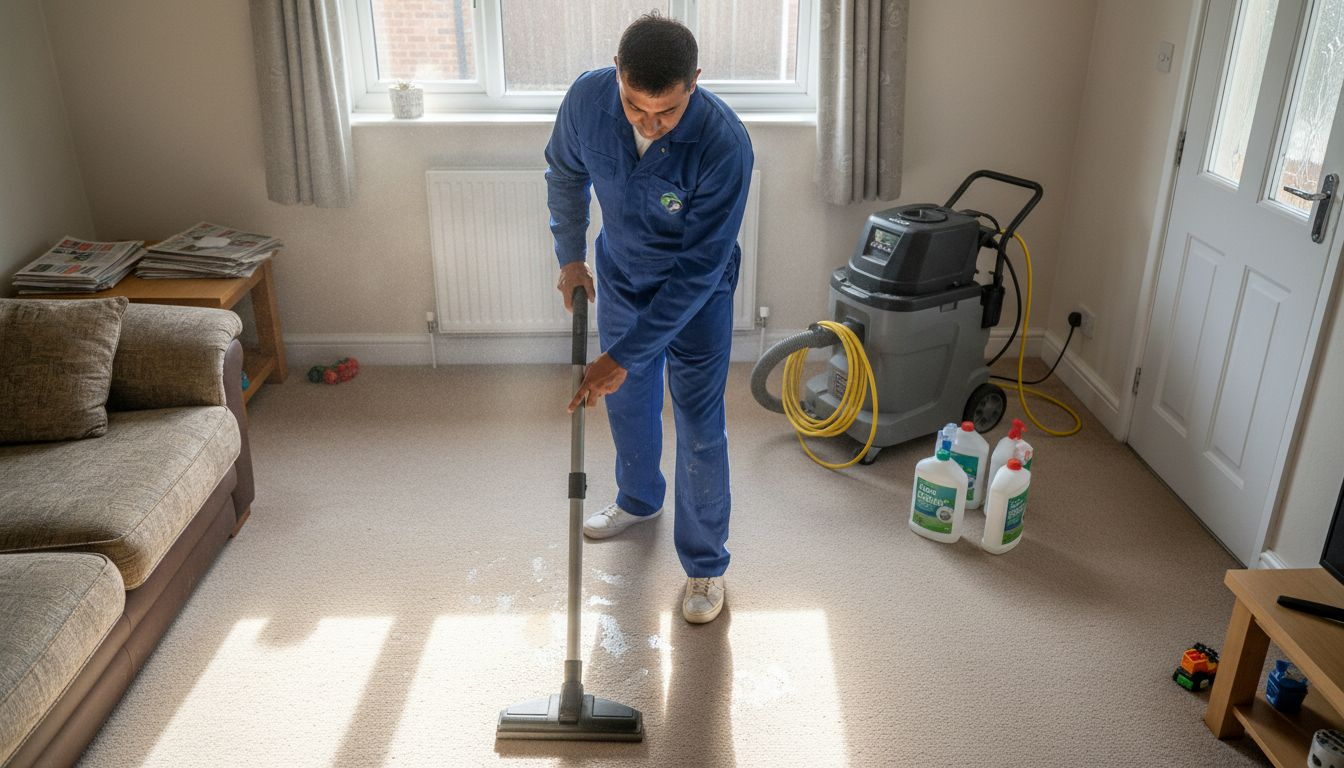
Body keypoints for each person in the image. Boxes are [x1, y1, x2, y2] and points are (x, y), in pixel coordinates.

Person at [544, 13, 754, 624]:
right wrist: (571, 256)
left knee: (699, 424)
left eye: (667, 112)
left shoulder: (724, 144)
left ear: (695, 82)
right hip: (622, 274)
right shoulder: (588, 100)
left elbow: (699, 268)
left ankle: (705, 565)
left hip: (697, 296)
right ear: (617, 74)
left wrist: (623, 355)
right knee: (629, 401)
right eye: (636, 107)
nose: (649, 124)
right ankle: (639, 499)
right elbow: (565, 173)